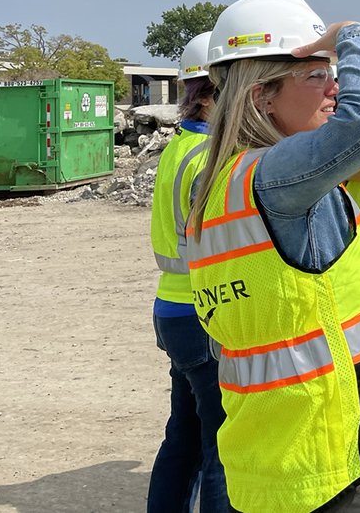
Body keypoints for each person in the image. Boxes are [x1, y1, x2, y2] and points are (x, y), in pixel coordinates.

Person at [186, 0, 360, 513]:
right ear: (260, 96)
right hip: (342, 457)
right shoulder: (274, 178)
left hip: (276, 455)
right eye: (316, 76)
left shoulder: (222, 181)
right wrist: (354, 33)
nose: (334, 88)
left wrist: (330, 60)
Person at [147, 31, 229, 513]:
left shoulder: (181, 147)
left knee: (185, 437)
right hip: (203, 313)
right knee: (220, 446)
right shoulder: (209, 158)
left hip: (175, 308)